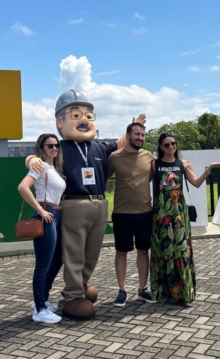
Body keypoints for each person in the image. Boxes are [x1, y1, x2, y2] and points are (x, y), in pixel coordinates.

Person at [26, 90, 145, 321]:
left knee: (92, 253)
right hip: (73, 205)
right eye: (76, 114)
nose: (85, 120)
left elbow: (121, 142)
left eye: (89, 116)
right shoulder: (58, 148)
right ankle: (72, 296)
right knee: (73, 253)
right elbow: (37, 157)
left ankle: (81, 285)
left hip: (99, 204)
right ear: (60, 121)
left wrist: (135, 127)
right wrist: (30, 159)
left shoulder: (99, 147)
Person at [150, 132, 220, 305]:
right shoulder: (154, 165)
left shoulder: (182, 164)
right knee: (163, 253)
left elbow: (196, 183)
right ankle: (166, 293)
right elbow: (142, 183)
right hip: (161, 215)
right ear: (161, 147)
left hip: (179, 215)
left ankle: (182, 292)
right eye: (167, 145)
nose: (171, 147)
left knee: (181, 252)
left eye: (173, 144)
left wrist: (210, 168)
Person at [18, 133, 66, 324]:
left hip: (55, 214)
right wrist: (40, 210)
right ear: (42, 148)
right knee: (43, 265)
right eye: (50, 146)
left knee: (57, 259)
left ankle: (43, 298)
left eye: (56, 145)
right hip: (45, 215)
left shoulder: (53, 167)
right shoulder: (40, 167)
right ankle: (39, 308)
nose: (54, 149)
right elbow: (23, 187)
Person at [107, 121, 156, 307]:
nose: (140, 138)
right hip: (121, 213)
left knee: (143, 251)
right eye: (137, 134)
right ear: (128, 136)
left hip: (145, 212)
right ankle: (122, 290)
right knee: (121, 252)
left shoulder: (148, 157)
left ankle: (143, 289)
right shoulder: (114, 157)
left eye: (142, 135)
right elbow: (101, 177)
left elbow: (154, 176)